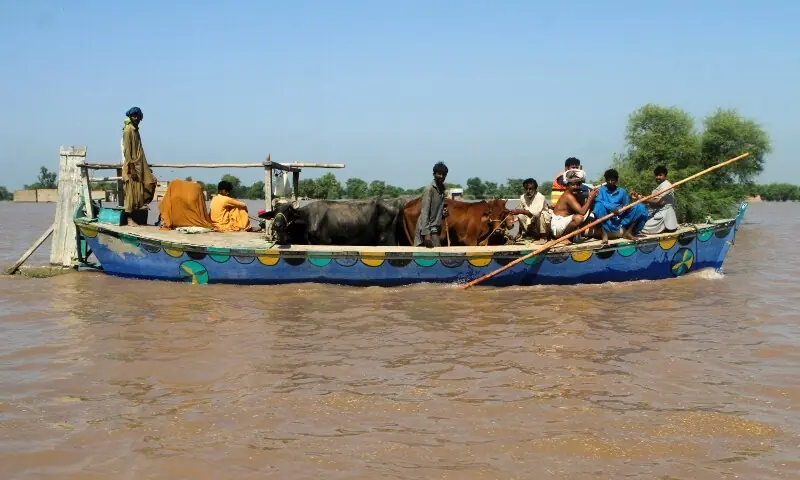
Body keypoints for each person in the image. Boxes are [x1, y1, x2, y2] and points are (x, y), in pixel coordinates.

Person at [121, 107, 158, 226]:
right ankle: (129, 218)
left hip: (140, 164)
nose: (136, 118)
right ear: (130, 117)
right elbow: (127, 151)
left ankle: (137, 213)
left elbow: (139, 151)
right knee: (132, 192)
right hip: (132, 165)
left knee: (151, 182)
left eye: (137, 116)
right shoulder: (128, 130)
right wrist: (131, 168)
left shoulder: (136, 130)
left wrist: (145, 166)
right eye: (133, 116)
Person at [591, 169, 649, 243]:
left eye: (612, 180)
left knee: (640, 207)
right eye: (608, 180)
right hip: (606, 219)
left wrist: (626, 208)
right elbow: (599, 200)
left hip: (620, 219)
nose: (610, 182)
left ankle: (628, 232)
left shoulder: (622, 191)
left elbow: (626, 206)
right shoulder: (601, 190)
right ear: (606, 180)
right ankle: (604, 234)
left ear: (616, 180)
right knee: (598, 206)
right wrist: (611, 208)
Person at [550, 170, 598, 242]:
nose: (575, 187)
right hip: (558, 225)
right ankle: (563, 238)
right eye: (572, 185)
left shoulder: (577, 194)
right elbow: (582, 212)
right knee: (578, 218)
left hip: (566, 223)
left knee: (592, 216)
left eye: (578, 184)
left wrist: (590, 199)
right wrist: (590, 198)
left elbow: (586, 207)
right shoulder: (568, 196)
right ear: (567, 186)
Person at [632, 165, 678, 235]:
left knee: (641, 228)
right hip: (657, 213)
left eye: (660, 175)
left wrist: (642, 198)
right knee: (637, 223)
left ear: (665, 176)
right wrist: (639, 196)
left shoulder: (666, 185)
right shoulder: (661, 186)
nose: (658, 177)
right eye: (656, 175)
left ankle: (665, 227)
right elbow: (651, 200)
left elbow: (658, 201)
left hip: (664, 215)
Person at [414, 162, 449, 248]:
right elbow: (425, 212)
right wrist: (426, 234)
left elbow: (436, 207)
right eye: (439, 174)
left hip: (435, 228)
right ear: (434, 174)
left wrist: (442, 212)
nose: (442, 176)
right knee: (435, 255)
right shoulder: (429, 189)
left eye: (444, 174)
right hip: (428, 229)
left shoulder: (442, 189)